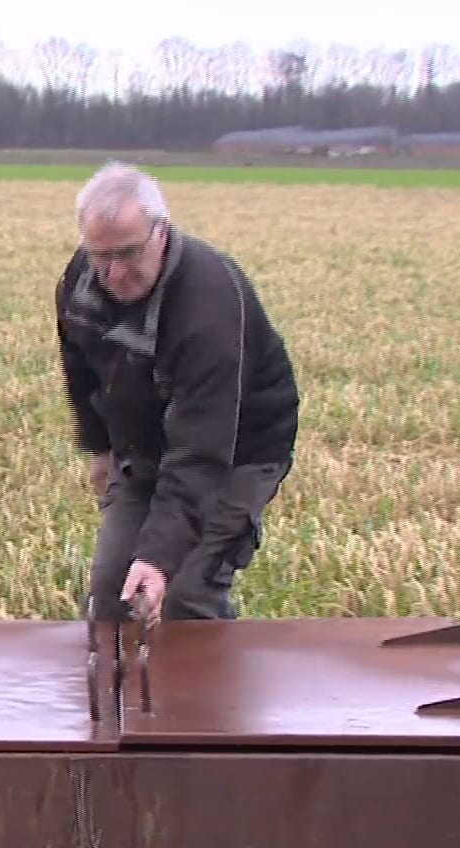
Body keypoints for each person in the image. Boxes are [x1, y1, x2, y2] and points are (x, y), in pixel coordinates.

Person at [55, 161, 300, 628]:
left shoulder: (206, 304)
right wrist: (100, 448)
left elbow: (201, 452)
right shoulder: (82, 282)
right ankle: (122, 679)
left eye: (128, 254)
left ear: (161, 232)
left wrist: (158, 559)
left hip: (236, 450)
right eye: (100, 256)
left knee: (185, 595)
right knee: (112, 595)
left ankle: (206, 676)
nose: (114, 272)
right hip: (145, 444)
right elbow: (81, 368)